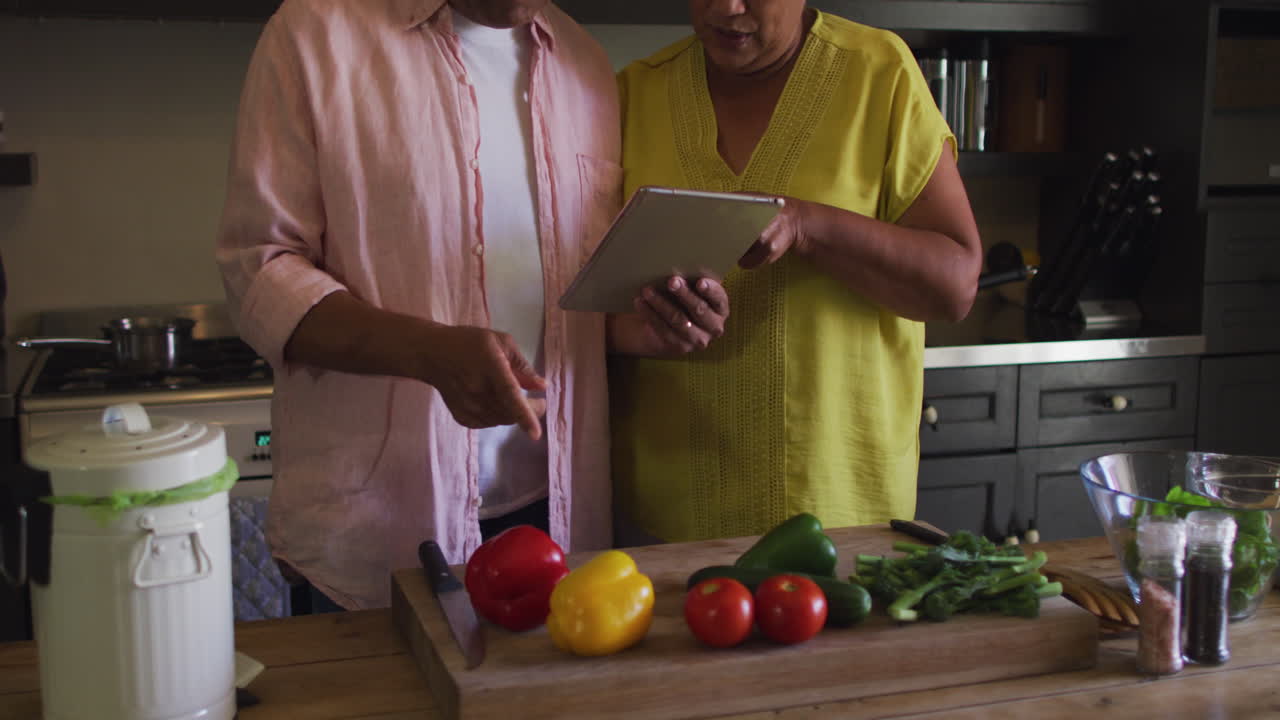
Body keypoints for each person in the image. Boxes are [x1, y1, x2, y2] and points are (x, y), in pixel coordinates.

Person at [216, 0, 728, 611]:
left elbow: (559, 305)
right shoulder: (316, 33)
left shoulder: (584, 62)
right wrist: (428, 352)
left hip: (557, 522)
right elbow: (260, 272)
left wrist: (647, 327)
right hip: (382, 529)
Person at [610, 0, 983, 544]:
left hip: (840, 511)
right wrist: (645, 323)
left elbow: (954, 287)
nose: (726, 7)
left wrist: (810, 225)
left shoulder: (879, 72)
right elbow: (577, 304)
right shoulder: (633, 94)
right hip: (666, 516)